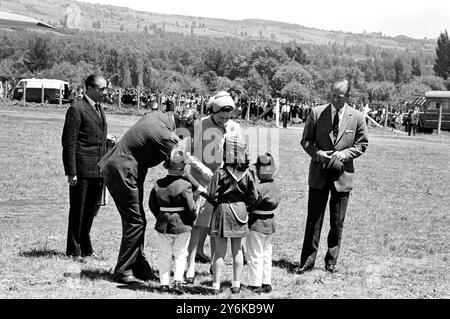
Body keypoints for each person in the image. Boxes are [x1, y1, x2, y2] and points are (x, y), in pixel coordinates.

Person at [97, 109, 206, 285]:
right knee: (136, 221)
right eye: (190, 132)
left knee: (137, 220)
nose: (188, 136)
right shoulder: (164, 133)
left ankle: (140, 267)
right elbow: (180, 167)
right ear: (184, 124)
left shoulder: (160, 117)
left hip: (125, 168)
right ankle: (123, 271)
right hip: (123, 171)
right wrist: (202, 188)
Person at [295, 79, 369, 275]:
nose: (335, 99)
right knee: (314, 219)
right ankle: (307, 261)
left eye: (340, 96)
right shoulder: (317, 113)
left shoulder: (358, 117)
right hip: (319, 173)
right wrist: (316, 153)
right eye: (333, 95)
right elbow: (306, 140)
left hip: (342, 176)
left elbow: (362, 144)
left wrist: (345, 154)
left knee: (337, 222)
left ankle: (331, 261)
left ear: (348, 96)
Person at [185, 91, 241, 284]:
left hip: (224, 184)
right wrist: (203, 170)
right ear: (213, 111)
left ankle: (214, 264)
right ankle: (190, 264)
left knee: (218, 227)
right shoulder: (200, 125)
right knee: (198, 224)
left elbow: (239, 155)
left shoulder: (235, 127)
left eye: (228, 117)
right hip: (202, 180)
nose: (225, 121)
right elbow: (188, 154)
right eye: (221, 117)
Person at [61, 74, 108, 260]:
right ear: (89, 88)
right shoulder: (76, 109)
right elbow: (69, 142)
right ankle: (74, 249)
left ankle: (86, 248)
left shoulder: (99, 108)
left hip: (98, 169)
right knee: (78, 210)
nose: (105, 92)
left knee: (90, 211)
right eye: (101, 89)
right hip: (82, 169)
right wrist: (71, 172)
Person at [207, 135, 258, 295]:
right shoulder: (249, 174)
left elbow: (211, 194)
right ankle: (236, 284)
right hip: (240, 211)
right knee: (237, 251)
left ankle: (216, 284)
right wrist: (246, 206)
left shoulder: (219, 173)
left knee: (219, 252)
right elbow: (254, 196)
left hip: (222, 210)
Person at [149, 148, 197, 295]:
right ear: (183, 167)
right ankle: (177, 281)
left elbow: (152, 204)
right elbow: (191, 208)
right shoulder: (185, 185)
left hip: (163, 223)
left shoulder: (158, 184)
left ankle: (164, 283)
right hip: (182, 225)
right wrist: (191, 218)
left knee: (164, 254)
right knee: (181, 254)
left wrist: (161, 216)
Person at [245, 153, 281, 294]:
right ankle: (266, 282)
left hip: (257, 223)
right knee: (266, 254)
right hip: (269, 223)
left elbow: (251, 202)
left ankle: (255, 284)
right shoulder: (275, 186)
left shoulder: (259, 188)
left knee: (255, 254)